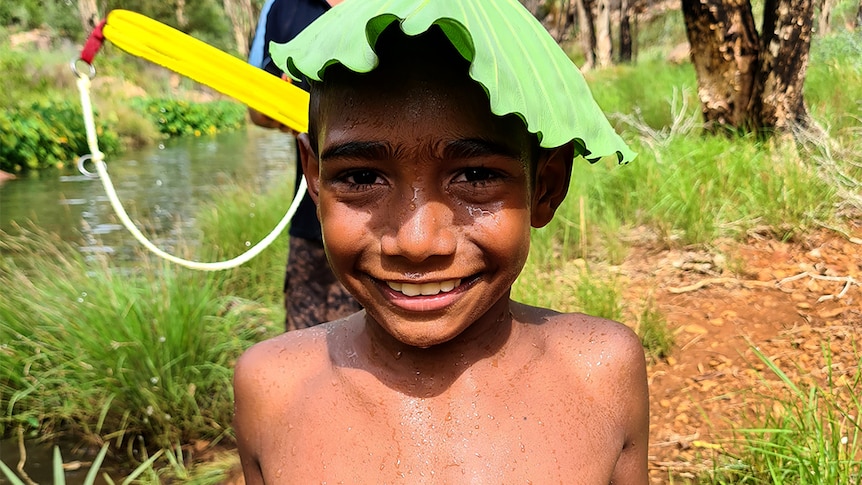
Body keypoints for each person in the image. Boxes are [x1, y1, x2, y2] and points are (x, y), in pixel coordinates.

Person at [233, 0, 649, 482]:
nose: (415, 242)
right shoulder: (271, 389)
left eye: (474, 175)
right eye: (363, 176)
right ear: (315, 177)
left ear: (548, 186)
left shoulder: (601, 373)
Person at [247, 0, 360, 331]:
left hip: (390, 225)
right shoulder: (280, 6)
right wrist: (275, 110)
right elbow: (256, 108)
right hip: (313, 224)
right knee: (306, 348)